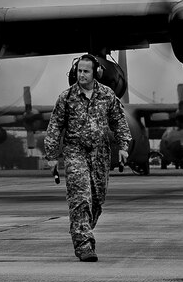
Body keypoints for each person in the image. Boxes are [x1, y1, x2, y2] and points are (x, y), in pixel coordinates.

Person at [44, 54, 131, 262]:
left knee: (96, 199)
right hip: (75, 152)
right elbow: (55, 126)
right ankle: (84, 244)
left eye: (85, 71)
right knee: (80, 197)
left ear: (96, 73)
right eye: (79, 71)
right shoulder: (66, 97)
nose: (81, 75)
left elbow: (119, 121)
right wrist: (52, 156)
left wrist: (124, 146)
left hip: (100, 153)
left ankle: (81, 226)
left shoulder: (107, 95)